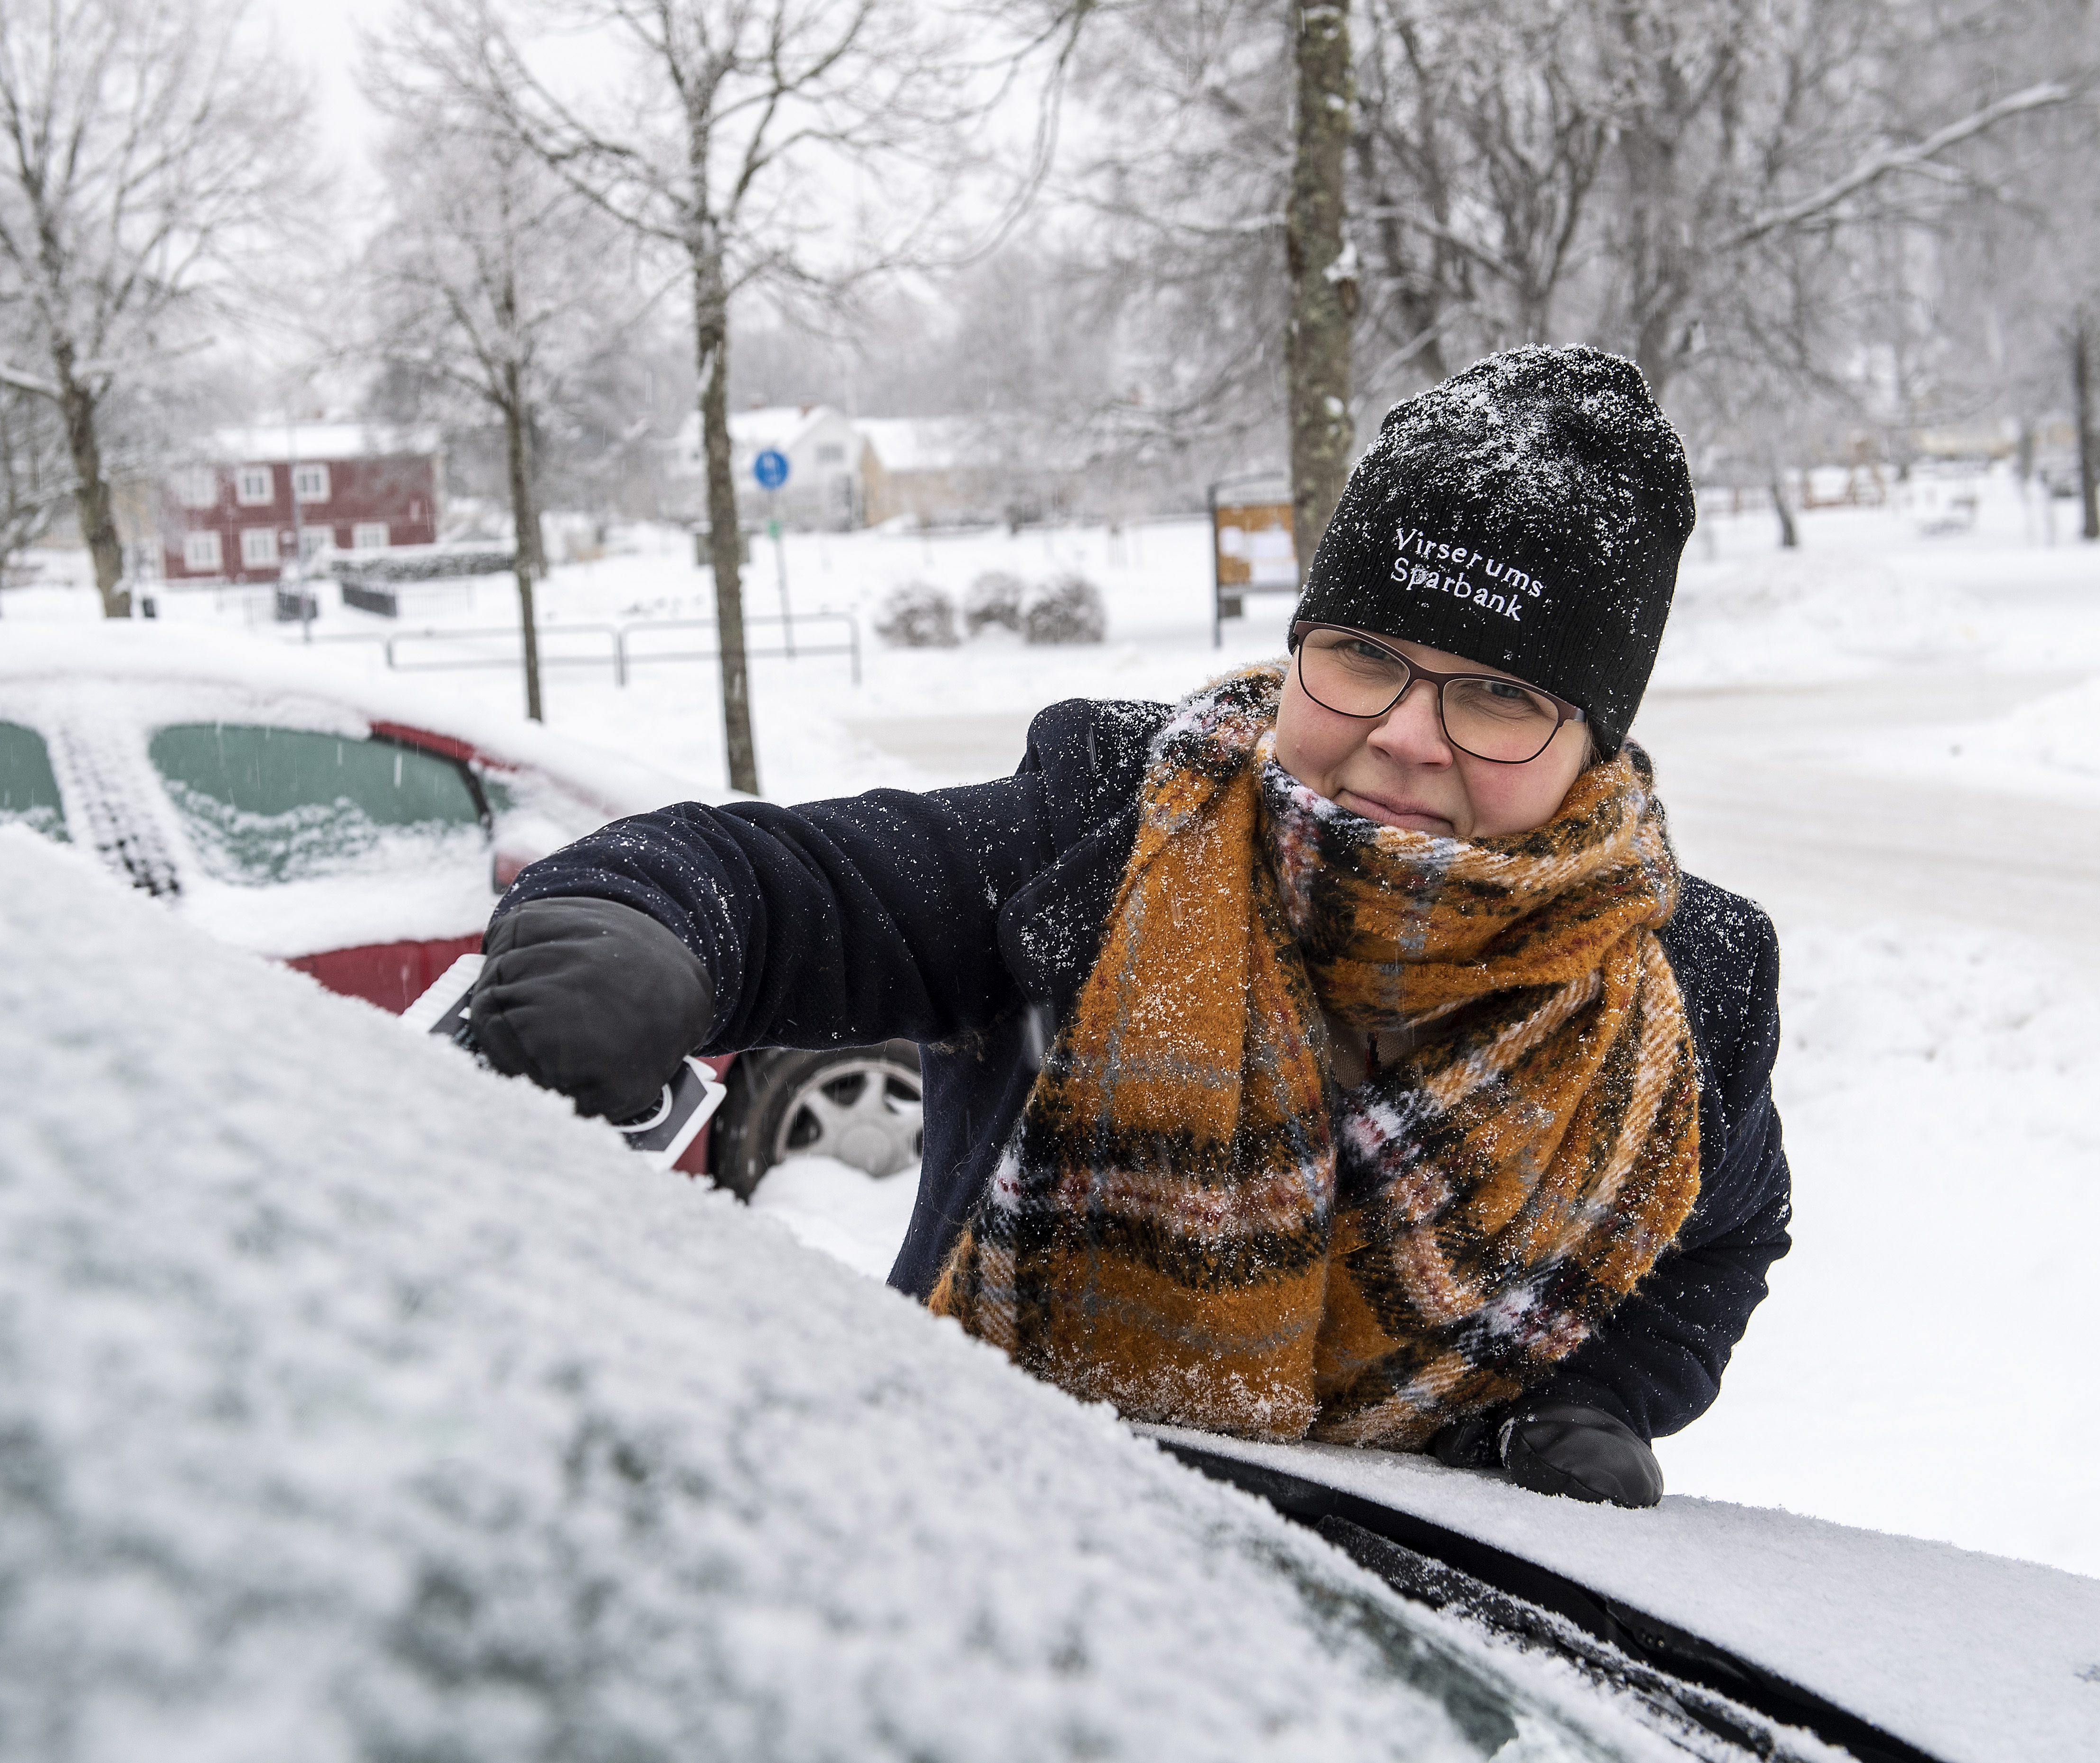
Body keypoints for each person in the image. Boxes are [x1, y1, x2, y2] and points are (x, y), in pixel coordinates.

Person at [467, 347, 1789, 1510]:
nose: (1400, 733)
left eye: (1497, 695)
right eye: (1364, 655)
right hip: (987, 1564)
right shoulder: (1112, 833)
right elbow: (790, 886)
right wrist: (635, 929)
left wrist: (1605, 1401)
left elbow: (1728, 1233)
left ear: (1595, 746)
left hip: (1402, 1659)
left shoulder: (1683, 995)